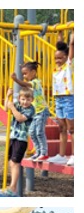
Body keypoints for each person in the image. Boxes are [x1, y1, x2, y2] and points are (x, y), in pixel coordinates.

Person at [0, 87, 35, 197]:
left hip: (21, 139)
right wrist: (7, 95)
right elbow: (5, 108)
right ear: (19, 98)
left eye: (28, 100)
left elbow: (19, 118)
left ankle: (13, 187)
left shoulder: (30, 109)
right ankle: (10, 186)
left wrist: (12, 107)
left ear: (31, 100)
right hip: (13, 137)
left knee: (15, 162)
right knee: (11, 162)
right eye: (23, 99)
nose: (25, 102)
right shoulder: (17, 104)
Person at [11, 61, 50, 161]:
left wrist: (16, 79)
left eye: (25, 73)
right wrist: (24, 66)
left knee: (39, 132)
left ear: (33, 72)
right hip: (35, 113)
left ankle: (44, 153)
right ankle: (38, 152)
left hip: (41, 111)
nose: (24, 76)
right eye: (23, 74)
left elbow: (25, 84)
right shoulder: (32, 82)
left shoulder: (36, 82)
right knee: (32, 132)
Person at [48, 31, 74, 166]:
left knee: (72, 128)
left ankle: (75, 154)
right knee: (62, 128)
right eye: (56, 58)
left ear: (66, 57)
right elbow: (60, 48)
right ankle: (62, 155)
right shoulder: (56, 68)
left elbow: (70, 47)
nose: (58, 60)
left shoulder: (69, 65)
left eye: (61, 58)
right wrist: (60, 36)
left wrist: (72, 36)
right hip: (58, 99)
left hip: (69, 98)